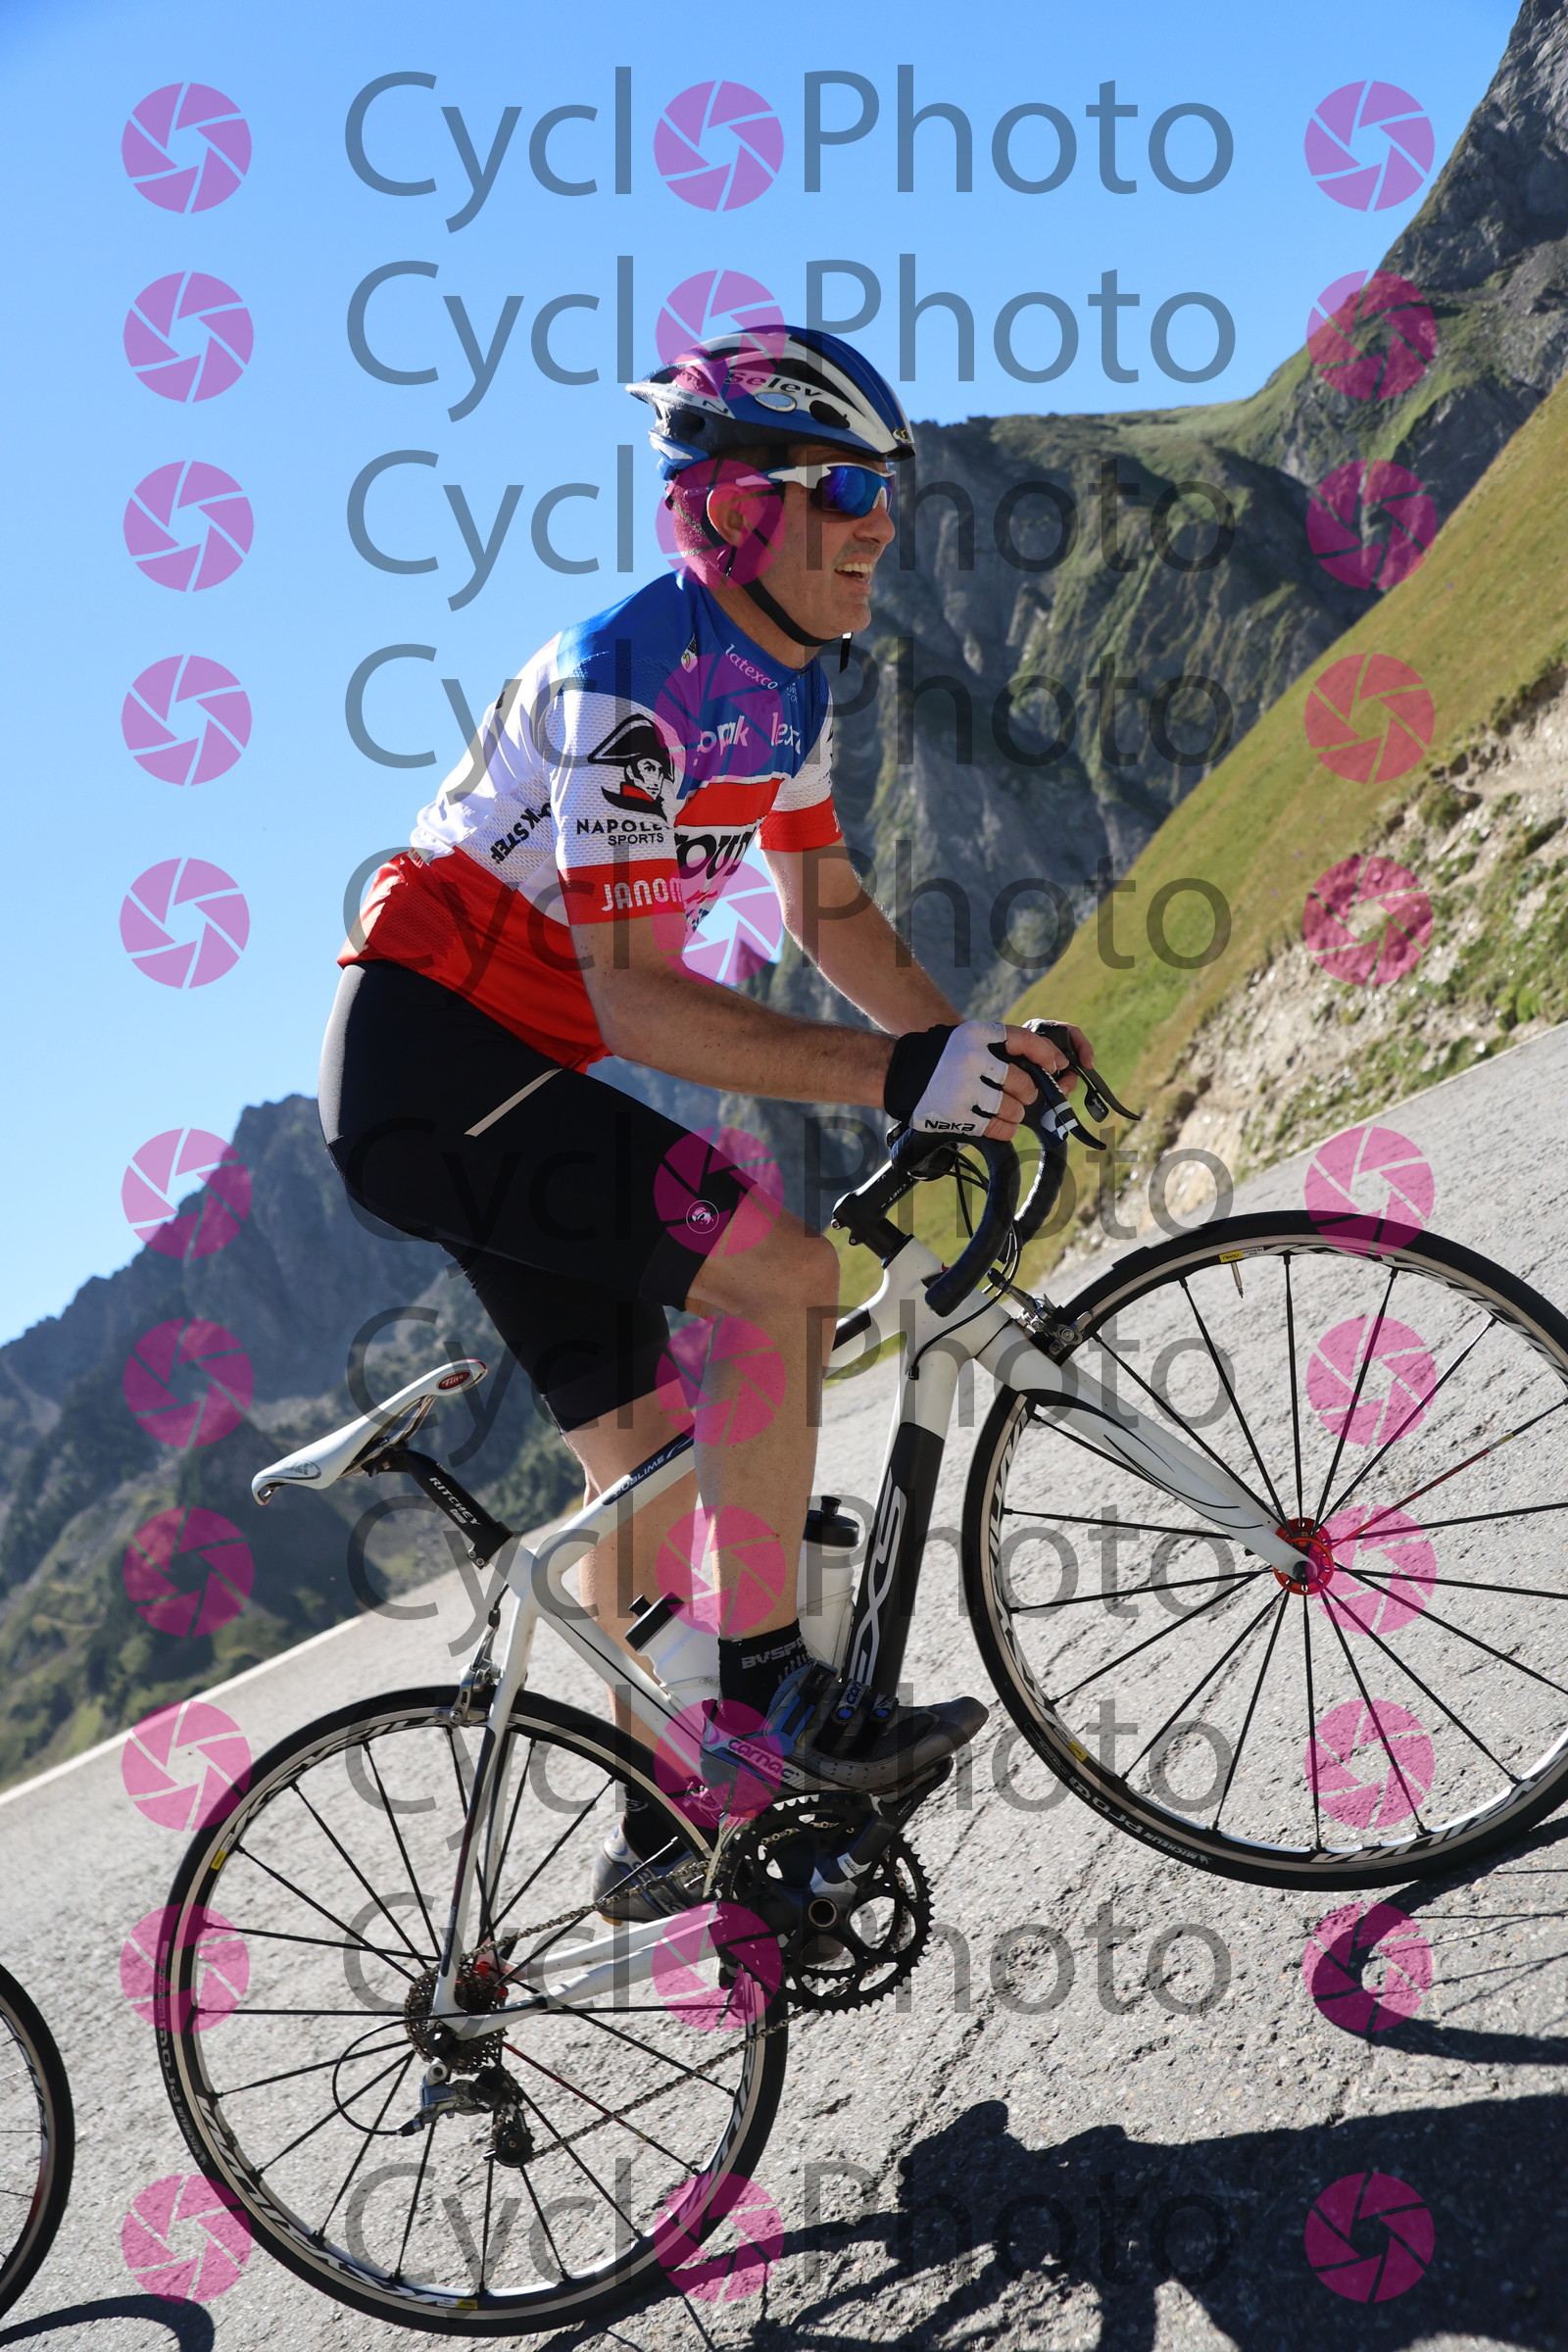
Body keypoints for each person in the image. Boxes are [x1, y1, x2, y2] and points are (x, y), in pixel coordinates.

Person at [318, 324, 1091, 1918]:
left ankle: (661, 1828)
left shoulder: (784, 684)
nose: (882, 523)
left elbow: (827, 907)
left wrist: (964, 1052)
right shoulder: (629, 677)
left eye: (891, 488)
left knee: (654, 1468)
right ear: (740, 510)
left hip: (490, 1082)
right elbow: (635, 1002)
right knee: (787, 1276)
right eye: (848, 491)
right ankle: (773, 1681)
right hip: (436, 1066)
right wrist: (897, 1080)